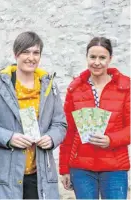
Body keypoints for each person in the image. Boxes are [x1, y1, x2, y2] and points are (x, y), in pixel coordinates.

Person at [0, 31, 67, 199]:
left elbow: (60, 124)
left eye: (36, 53)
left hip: (39, 176)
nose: (31, 57)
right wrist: (9, 137)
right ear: (16, 54)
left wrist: (51, 138)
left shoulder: (50, 87)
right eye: (25, 52)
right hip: (4, 176)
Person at [59, 37, 130, 199]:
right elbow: (68, 131)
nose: (97, 62)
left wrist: (111, 139)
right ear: (87, 58)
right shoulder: (75, 89)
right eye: (92, 57)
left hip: (115, 168)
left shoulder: (125, 87)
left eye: (102, 58)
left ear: (110, 59)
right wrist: (64, 169)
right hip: (81, 168)